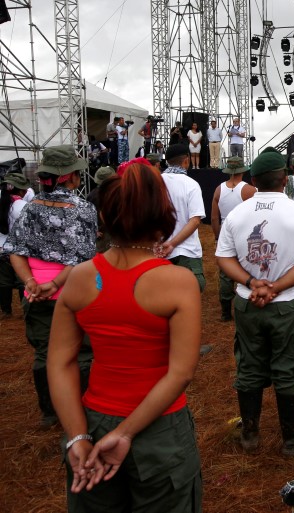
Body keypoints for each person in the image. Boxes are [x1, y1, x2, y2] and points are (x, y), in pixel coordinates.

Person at [48, 161, 203, 512]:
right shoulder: (178, 282)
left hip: (92, 420)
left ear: (104, 218)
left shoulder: (79, 278)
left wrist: (77, 436)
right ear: (163, 216)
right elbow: (180, 372)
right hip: (160, 430)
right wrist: (127, 433)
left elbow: (59, 362)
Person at [216, 151, 294, 456]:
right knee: (288, 367)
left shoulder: (238, 214)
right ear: (285, 180)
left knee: (249, 366)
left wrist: (252, 283)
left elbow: (224, 256)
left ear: (253, 181)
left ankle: (250, 436)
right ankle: (292, 440)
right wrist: (275, 287)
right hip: (287, 304)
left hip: (248, 303)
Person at [4, 146, 97, 429]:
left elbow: (15, 250)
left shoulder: (29, 209)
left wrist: (31, 282)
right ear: (70, 178)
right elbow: (84, 257)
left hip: (35, 294)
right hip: (73, 292)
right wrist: (55, 282)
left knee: (45, 352)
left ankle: (49, 411)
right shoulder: (82, 209)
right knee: (81, 351)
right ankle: (81, 405)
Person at [210, 156, 256, 322]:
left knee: (225, 273)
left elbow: (214, 218)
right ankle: (247, 306)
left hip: (225, 234)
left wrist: (217, 237)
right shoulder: (249, 190)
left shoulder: (218, 189)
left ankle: (225, 312)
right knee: (247, 269)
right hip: (244, 235)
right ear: (243, 171)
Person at [161, 144, 206, 293]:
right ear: (186, 160)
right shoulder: (191, 184)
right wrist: (173, 244)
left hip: (159, 250)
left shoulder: (155, 182)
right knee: (189, 296)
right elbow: (195, 220)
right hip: (187, 251)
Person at [0, 172, 31, 318]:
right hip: (19, 249)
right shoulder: (24, 206)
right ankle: (25, 310)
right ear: (21, 190)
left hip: (1, 248)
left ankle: (6, 311)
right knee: (22, 281)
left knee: (3, 281)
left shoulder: (2, 203)